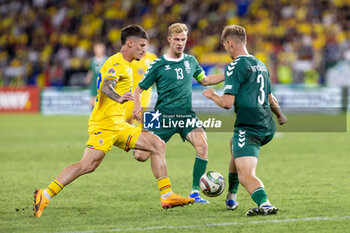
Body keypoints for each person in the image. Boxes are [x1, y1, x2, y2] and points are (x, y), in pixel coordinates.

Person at [33, 25, 194, 218]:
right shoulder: (117, 63)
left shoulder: (124, 63)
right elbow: (106, 86)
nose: (144, 49)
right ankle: (46, 193)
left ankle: (167, 195)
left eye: (145, 46)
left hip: (119, 125)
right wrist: (118, 97)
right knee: (88, 165)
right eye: (141, 45)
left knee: (157, 144)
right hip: (104, 125)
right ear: (130, 43)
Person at [133, 23, 224, 203]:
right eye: (176, 39)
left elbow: (204, 80)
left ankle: (195, 193)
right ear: (169, 40)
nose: (180, 43)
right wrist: (137, 106)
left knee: (202, 145)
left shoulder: (191, 61)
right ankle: (134, 137)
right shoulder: (158, 64)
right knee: (140, 156)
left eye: (183, 39)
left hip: (186, 116)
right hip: (161, 116)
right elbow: (138, 89)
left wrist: (229, 74)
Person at [202, 25, 287, 216]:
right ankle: (231, 197)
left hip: (249, 128)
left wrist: (212, 95)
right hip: (267, 126)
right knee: (234, 144)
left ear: (229, 43)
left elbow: (227, 103)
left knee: (246, 174)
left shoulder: (235, 66)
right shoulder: (260, 64)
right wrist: (280, 116)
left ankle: (264, 204)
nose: (226, 50)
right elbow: (271, 98)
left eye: (225, 46)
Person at [124, 51, 157, 125]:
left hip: (145, 91)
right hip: (130, 90)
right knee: (128, 118)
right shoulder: (130, 57)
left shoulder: (152, 57)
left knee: (145, 114)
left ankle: (147, 132)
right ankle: (130, 134)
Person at [85, 42, 108, 107]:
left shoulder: (107, 60)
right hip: (94, 84)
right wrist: (88, 79)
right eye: (97, 49)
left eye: (100, 49)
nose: (98, 51)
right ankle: (94, 116)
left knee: (103, 102)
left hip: (104, 83)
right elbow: (91, 71)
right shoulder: (92, 60)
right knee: (93, 102)